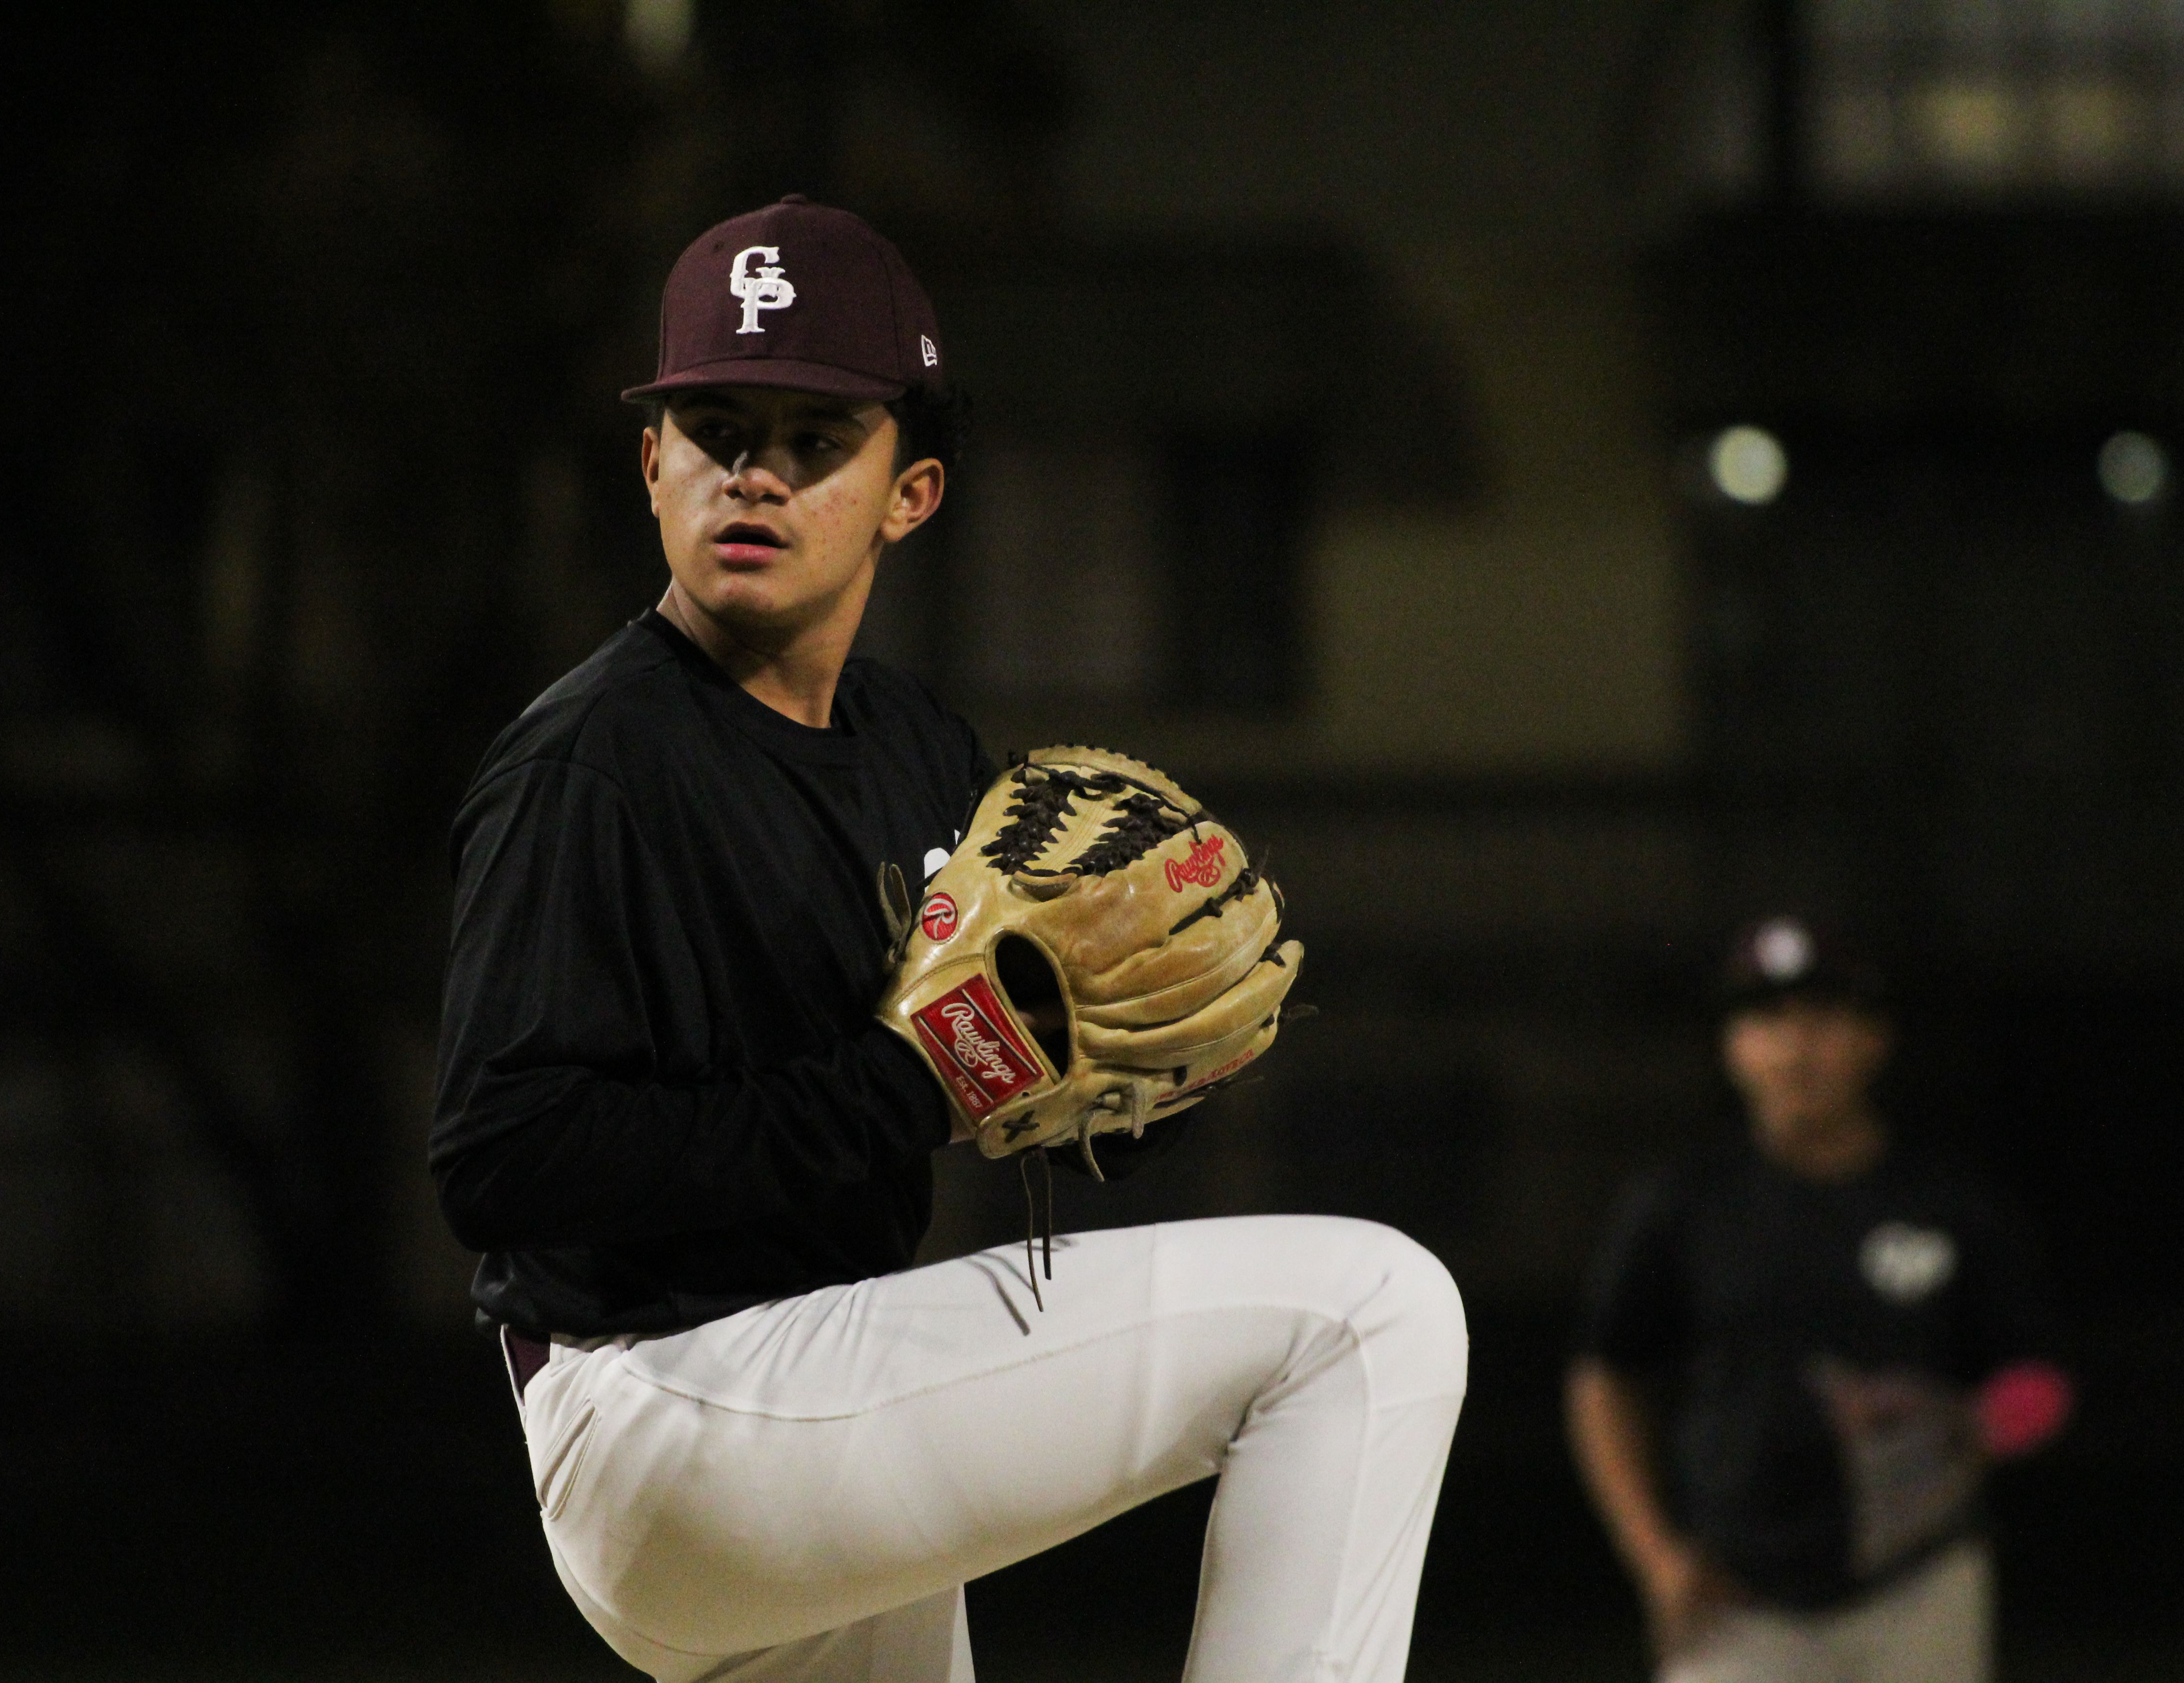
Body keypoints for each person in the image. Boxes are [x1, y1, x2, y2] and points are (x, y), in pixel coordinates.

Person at [429, 196, 1468, 1683]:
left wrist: (1129, 1093)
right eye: (717, 427)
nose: (754, 476)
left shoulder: (917, 748)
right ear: (651, 461)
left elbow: (1012, 1068)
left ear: (910, 493)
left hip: (818, 1412)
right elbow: (500, 1159)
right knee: (1372, 1318)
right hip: (673, 1405)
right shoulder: (591, 763)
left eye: (812, 440)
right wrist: (917, 1086)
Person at [1568, 916, 2073, 1683]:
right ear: (1734, 1046)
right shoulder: (1683, 1203)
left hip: (1917, 1584)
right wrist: (1656, 1556)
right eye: (1769, 1020)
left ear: (1876, 1039)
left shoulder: (1947, 1202)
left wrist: (1970, 1427)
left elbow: (2040, 1374)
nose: (1798, 1048)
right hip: (1732, 1593)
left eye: (1826, 1020)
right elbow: (1606, 1375)